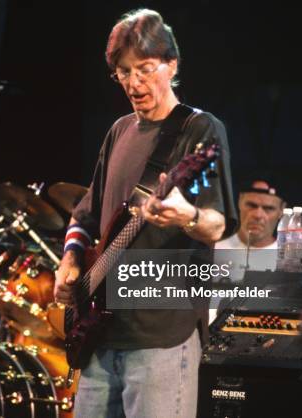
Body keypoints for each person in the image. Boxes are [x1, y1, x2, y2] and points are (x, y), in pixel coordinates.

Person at [54, 9, 236, 418]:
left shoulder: (200, 131)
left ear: (172, 65)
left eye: (145, 69)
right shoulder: (118, 131)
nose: (134, 83)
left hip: (161, 335)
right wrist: (69, 263)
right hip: (98, 334)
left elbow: (218, 224)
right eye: (123, 72)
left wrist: (186, 216)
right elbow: (85, 216)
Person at [215, 177, 285, 279]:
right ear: (239, 201)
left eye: (268, 208)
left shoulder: (288, 260)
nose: (258, 215)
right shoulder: (215, 248)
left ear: (282, 210)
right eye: (251, 205)